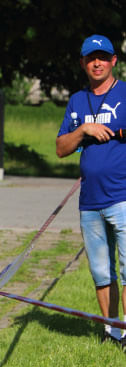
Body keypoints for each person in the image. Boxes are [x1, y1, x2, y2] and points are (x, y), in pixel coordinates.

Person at [56, 34, 126, 343]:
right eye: (90, 58)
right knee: (101, 271)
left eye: (102, 56)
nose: (96, 62)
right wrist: (83, 129)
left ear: (113, 61)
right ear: (83, 63)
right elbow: (60, 148)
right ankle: (112, 333)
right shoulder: (76, 101)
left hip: (123, 197)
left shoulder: (125, 93)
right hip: (90, 202)